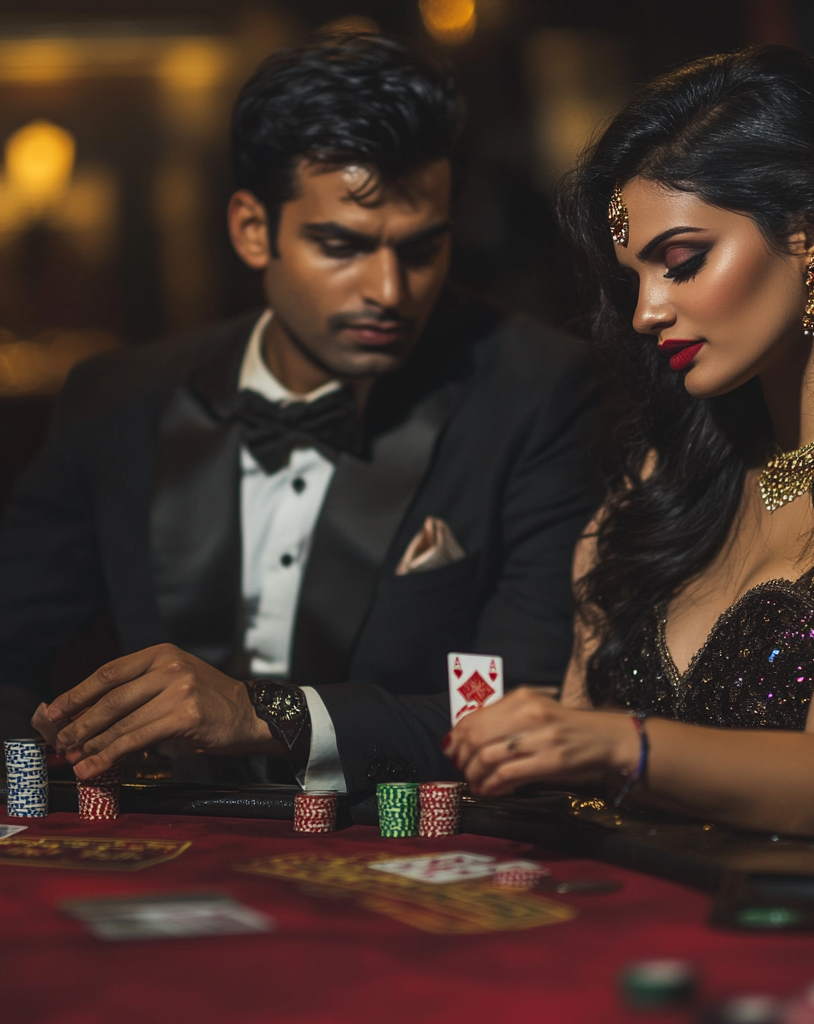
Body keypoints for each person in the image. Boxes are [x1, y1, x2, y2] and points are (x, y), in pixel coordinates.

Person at [445, 46, 814, 852]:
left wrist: (618, 742)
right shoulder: (666, 476)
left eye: (682, 263)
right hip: (635, 936)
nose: (647, 310)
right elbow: (572, 771)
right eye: (634, 278)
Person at [2, 34, 598, 796]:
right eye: (341, 245)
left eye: (421, 249)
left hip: (400, 855)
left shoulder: (537, 389)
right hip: (153, 847)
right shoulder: (115, 399)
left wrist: (270, 716)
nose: (389, 288)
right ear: (253, 229)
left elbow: (531, 713)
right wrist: (24, 802)